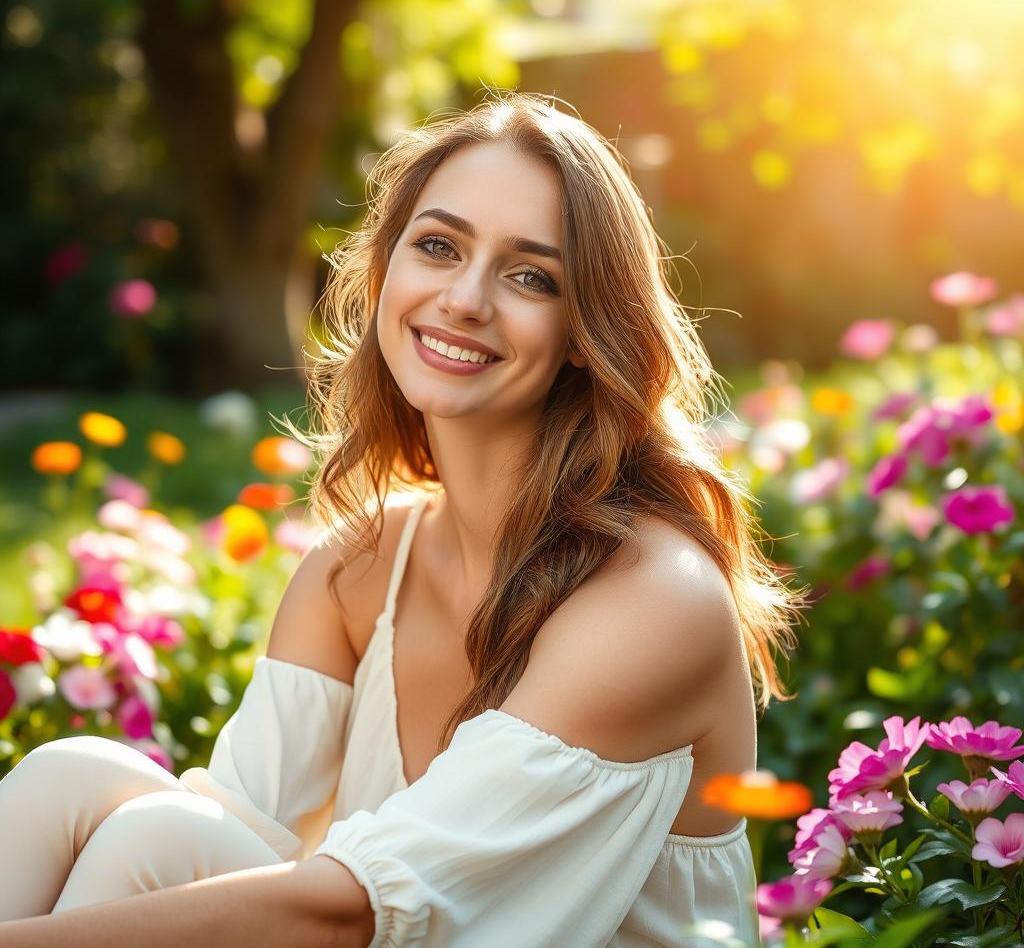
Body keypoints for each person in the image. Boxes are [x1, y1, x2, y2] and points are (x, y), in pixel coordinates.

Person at [0, 91, 806, 947]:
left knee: (161, 838)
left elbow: (345, 913)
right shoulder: (359, 572)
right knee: (74, 778)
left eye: (530, 275)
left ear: (584, 329)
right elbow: (228, 833)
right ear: (386, 271)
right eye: (438, 246)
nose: (464, 298)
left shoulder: (653, 599)